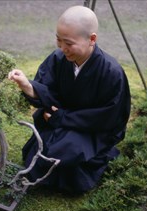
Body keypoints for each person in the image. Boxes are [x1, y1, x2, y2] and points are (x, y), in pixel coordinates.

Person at [8, 6, 131, 194]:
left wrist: (62, 118)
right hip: (59, 118)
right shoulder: (58, 58)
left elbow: (107, 118)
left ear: (92, 39)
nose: (62, 47)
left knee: (63, 153)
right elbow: (48, 92)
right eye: (58, 39)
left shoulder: (111, 72)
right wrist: (28, 86)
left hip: (91, 129)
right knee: (38, 151)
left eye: (68, 43)